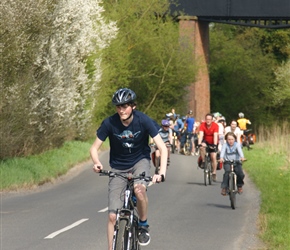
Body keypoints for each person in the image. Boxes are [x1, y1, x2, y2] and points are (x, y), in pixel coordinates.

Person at [90, 88, 167, 249]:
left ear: (133, 106)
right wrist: (97, 162)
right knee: (112, 216)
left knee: (139, 190)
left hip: (140, 161)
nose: (121, 110)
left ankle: (143, 225)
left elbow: (162, 147)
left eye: (125, 106)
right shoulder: (109, 123)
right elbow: (94, 148)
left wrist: (161, 173)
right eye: (118, 107)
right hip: (118, 167)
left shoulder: (143, 120)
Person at [197, 113, 219, 181]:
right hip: (206, 141)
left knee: (213, 157)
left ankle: (214, 173)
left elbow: (215, 136)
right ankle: (203, 161)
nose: (208, 121)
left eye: (209, 119)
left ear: (212, 120)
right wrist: (199, 143)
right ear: (205, 119)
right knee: (202, 147)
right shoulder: (202, 125)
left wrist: (215, 145)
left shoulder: (215, 125)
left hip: (213, 142)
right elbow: (201, 135)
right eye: (207, 119)